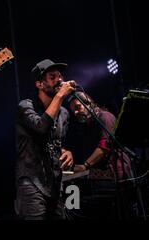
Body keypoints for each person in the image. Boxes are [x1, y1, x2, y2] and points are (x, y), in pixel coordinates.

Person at [15, 59, 75, 220]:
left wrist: (66, 152)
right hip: (32, 183)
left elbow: (55, 143)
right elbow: (41, 128)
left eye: (60, 76)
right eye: (52, 77)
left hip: (55, 184)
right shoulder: (26, 107)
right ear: (39, 84)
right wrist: (61, 95)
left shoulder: (64, 113)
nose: (59, 80)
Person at [66, 92, 131, 178]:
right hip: (101, 174)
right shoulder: (86, 127)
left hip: (116, 173)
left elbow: (105, 145)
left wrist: (85, 165)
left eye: (78, 107)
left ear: (89, 103)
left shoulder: (105, 117)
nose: (75, 112)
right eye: (73, 110)